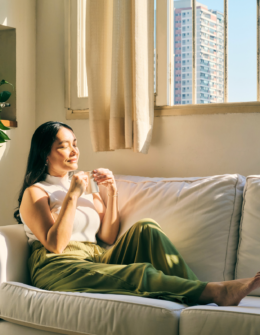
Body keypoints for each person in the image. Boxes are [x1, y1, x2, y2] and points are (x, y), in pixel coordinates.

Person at [14, 121, 260, 307]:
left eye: (75, 144)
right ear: (45, 155)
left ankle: (201, 295)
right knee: (139, 271)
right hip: (57, 266)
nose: (74, 151)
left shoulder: (83, 184)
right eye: (63, 146)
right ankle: (216, 292)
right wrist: (72, 196)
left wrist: (111, 192)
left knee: (147, 227)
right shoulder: (36, 193)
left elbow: (108, 237)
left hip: (95, 256)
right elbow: (55, 244)